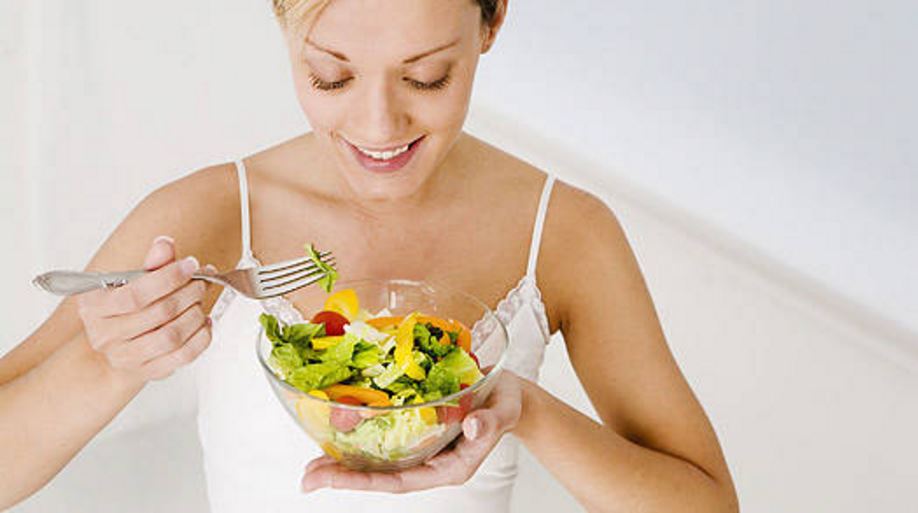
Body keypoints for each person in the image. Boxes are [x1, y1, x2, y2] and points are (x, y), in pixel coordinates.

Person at [0, 1, 739, 511]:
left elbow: (706, 502)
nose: (379, 126)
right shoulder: (213, 216)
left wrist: (525, 409)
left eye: (427, 77)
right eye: (333, 76)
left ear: (492, 21)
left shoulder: (565, 231)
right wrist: (110, 362)